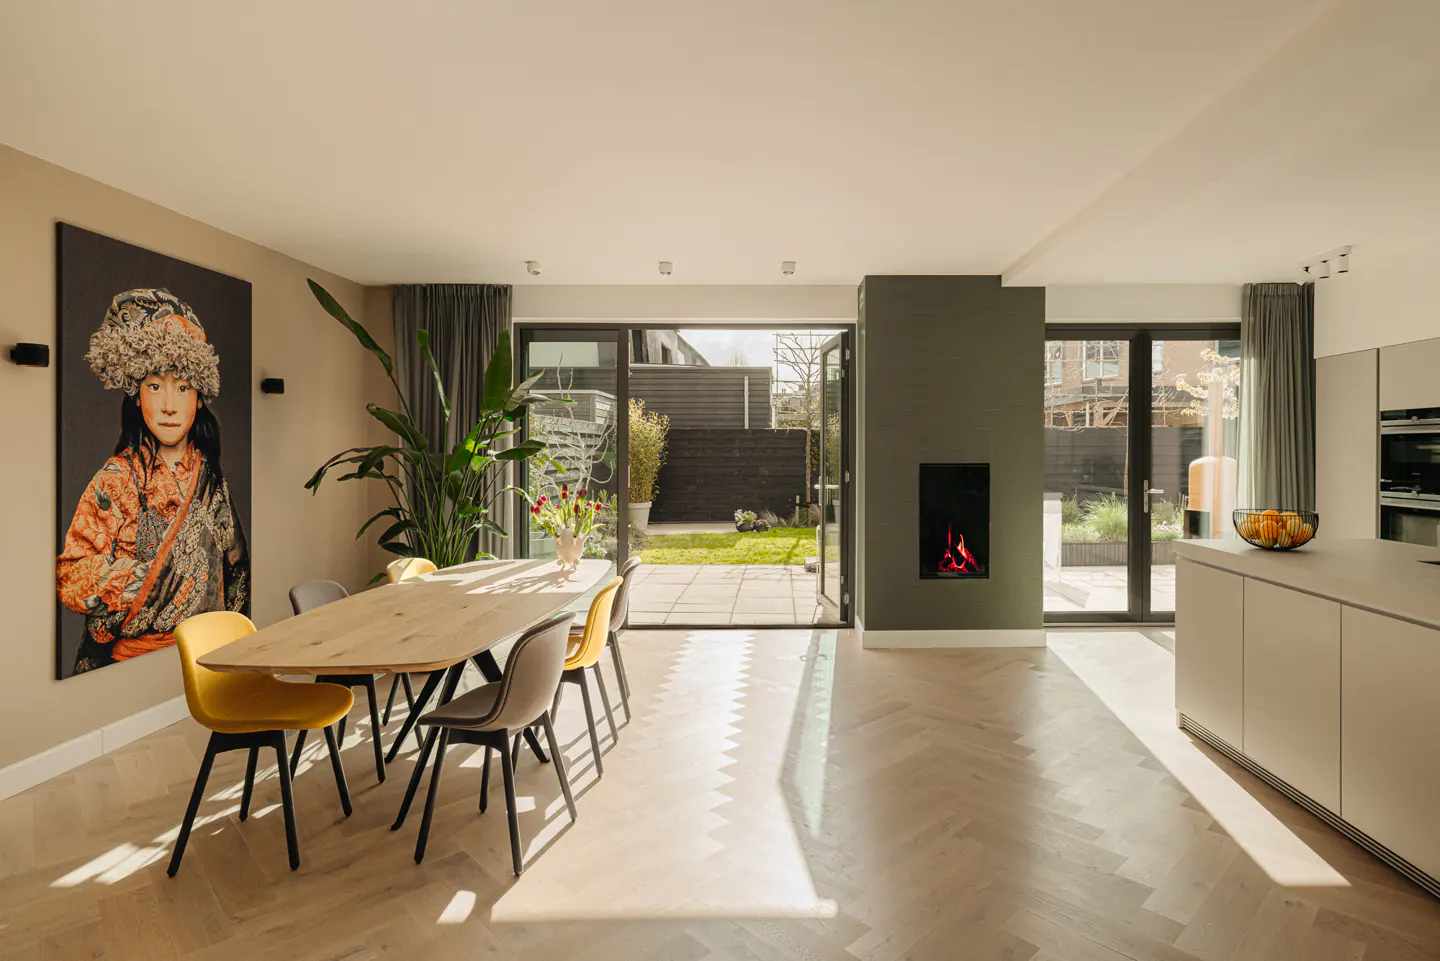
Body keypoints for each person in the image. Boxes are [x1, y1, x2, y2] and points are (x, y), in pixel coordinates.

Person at [57, 288, 249, 675]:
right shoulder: (118, 478)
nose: (169, 405)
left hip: (211, 653)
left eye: (183, 388)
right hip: (136, 661)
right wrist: (156, 583)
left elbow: (235, 569)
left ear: (199, 398)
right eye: (155, 386)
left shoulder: (208, 476)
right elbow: (72, 574)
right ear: (136, 395)